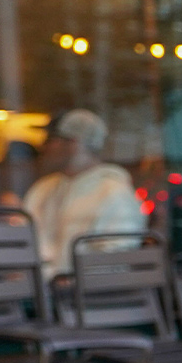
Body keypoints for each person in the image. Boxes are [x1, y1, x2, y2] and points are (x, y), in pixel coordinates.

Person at [24, 110, 144, 277]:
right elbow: (25, 244)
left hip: (89, 298)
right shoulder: (42, 189)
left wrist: (74, 281)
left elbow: (117, 259)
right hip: (39, 294)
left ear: (73, 143)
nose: (43, 147)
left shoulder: (114, 192)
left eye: (50, 140)